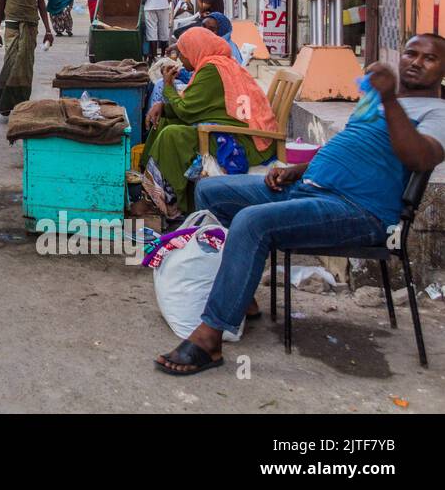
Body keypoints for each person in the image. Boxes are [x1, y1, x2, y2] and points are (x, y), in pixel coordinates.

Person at [155, 34, 445, 375]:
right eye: (411, 53)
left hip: (358, 211)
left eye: (429, 58)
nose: (416, 61)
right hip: (310, 188)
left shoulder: (435, 111)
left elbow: (421, 156)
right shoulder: (379, 102)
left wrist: (389, 100)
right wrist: (297, 170)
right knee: (212, 191)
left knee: (251, 222)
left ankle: (209, 339)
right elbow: (348, 149)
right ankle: (240, 297)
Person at [137, 28, 277, 218]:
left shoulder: (212, 69)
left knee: (172, 135)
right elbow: (197, 107)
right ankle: (151, 190)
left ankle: (167, 202)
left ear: (195, 51)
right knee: (164, 121)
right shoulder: (215, 65)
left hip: (244, 140)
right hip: (236, 131)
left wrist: (168, 88)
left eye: (182, 54)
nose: (181, 60)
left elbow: (187, 110)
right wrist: (163, 107)